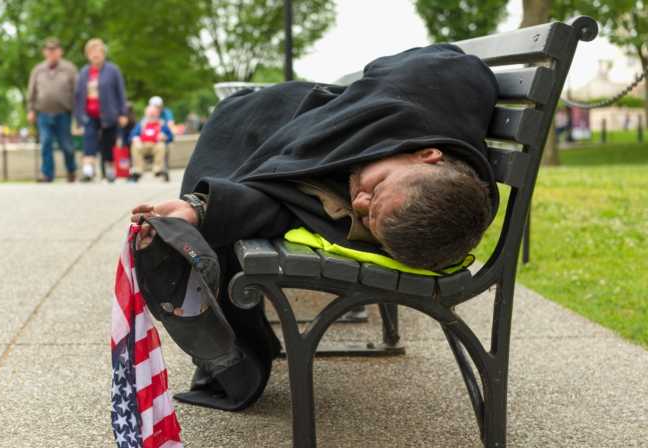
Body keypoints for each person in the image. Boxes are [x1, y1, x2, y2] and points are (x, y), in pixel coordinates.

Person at [129, 45, 499, 411]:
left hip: (279, 146)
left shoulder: (416, 225)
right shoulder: (435, 103)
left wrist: (198, 210)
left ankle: (232, 348)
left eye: (368, 219)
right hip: (290, 112)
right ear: (427, 155)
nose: (359, 202)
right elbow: (437, 63)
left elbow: (289, 200)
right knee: (234, 120)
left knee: (234, 155)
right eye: (378, 186)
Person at [74, 38, 128, 182]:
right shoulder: (84, 72)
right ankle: (88, 171)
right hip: (89, 114)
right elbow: (78, 96)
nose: (95, 54)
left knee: (108, 143)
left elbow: (121, 93)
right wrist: (78, 119)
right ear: (87, 55)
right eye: (92, 52)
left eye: (98, 51)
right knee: (89, 141)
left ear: (103, 53)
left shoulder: (113, 70)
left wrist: (123, 113)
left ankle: (109, 170)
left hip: (109, 113)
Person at [27, 37, 78, 183]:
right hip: (43, 113)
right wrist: (31, 110)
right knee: (46, 142)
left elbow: (77, 92)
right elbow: (32, 91)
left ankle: (71, 170)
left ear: (60, 52)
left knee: (66, 145)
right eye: (48, 50)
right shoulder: (38, 70)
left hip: (64, 113)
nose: (51, 53)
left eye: (54, 50)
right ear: (44, 52)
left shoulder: (70, 68)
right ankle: (47, 174)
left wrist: (77, 113)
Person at [128, 105, 174, 182]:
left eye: (153, 113)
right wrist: (136, 139)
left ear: (157, 114)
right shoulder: (141, 124)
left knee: (161, 145)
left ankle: (158, 170)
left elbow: (171, 137)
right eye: (150, 113)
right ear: (146, 114)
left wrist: (165, 137)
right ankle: (137, 171)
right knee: (135, 146)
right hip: (143, 145)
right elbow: (132, 135)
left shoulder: (162, 124)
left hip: (156, 145)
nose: (151, 115)